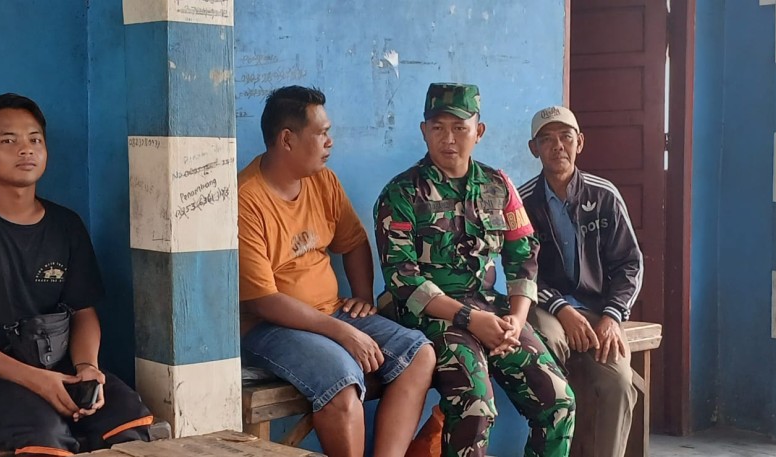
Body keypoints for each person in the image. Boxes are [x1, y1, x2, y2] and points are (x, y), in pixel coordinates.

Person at [0, 93, 153, 457]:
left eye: (34, 140)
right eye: (8, 140)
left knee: (125, 415)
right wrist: (36, 380)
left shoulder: (66, 225)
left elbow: (83, 312)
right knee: (45, 432)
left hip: (59, 368)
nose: (25, 150)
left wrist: (87, 368)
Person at [374, 83, 576, 457]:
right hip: (425, 313)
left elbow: (523, 256)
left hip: (490, 309)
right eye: (437, 127)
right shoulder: (401, 193)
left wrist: (516, 320)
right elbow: (403, 279)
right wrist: (469, 319)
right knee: (475, 405)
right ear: (424, 131)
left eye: (459, 127)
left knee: (559, 401)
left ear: (478, 132)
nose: (448, 138)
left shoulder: (498, 185)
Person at [237, 85, 436, 457]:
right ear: (287, 139)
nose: (330, 142)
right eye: (322, 133)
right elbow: (263, 300)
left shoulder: (323, 180)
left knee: (418, 354)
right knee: (343, 379)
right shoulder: (246, 199)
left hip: (332, 313)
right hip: (270, 327)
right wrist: (343, 332)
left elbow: (354, 242)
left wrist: (362, 297)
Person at [519, 105, 643, 457]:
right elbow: (523, 270)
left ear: (580, 143)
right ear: (534, 148)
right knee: (552, 345)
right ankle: (555, 447)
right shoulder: (524, 202)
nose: (557, 146)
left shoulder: (604, 195)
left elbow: (629, 264)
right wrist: (563, 310)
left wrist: (612, 317)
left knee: (618, 382)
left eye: (565, 137)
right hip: (547, 307)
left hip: (599, 311)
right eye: (547, 139)